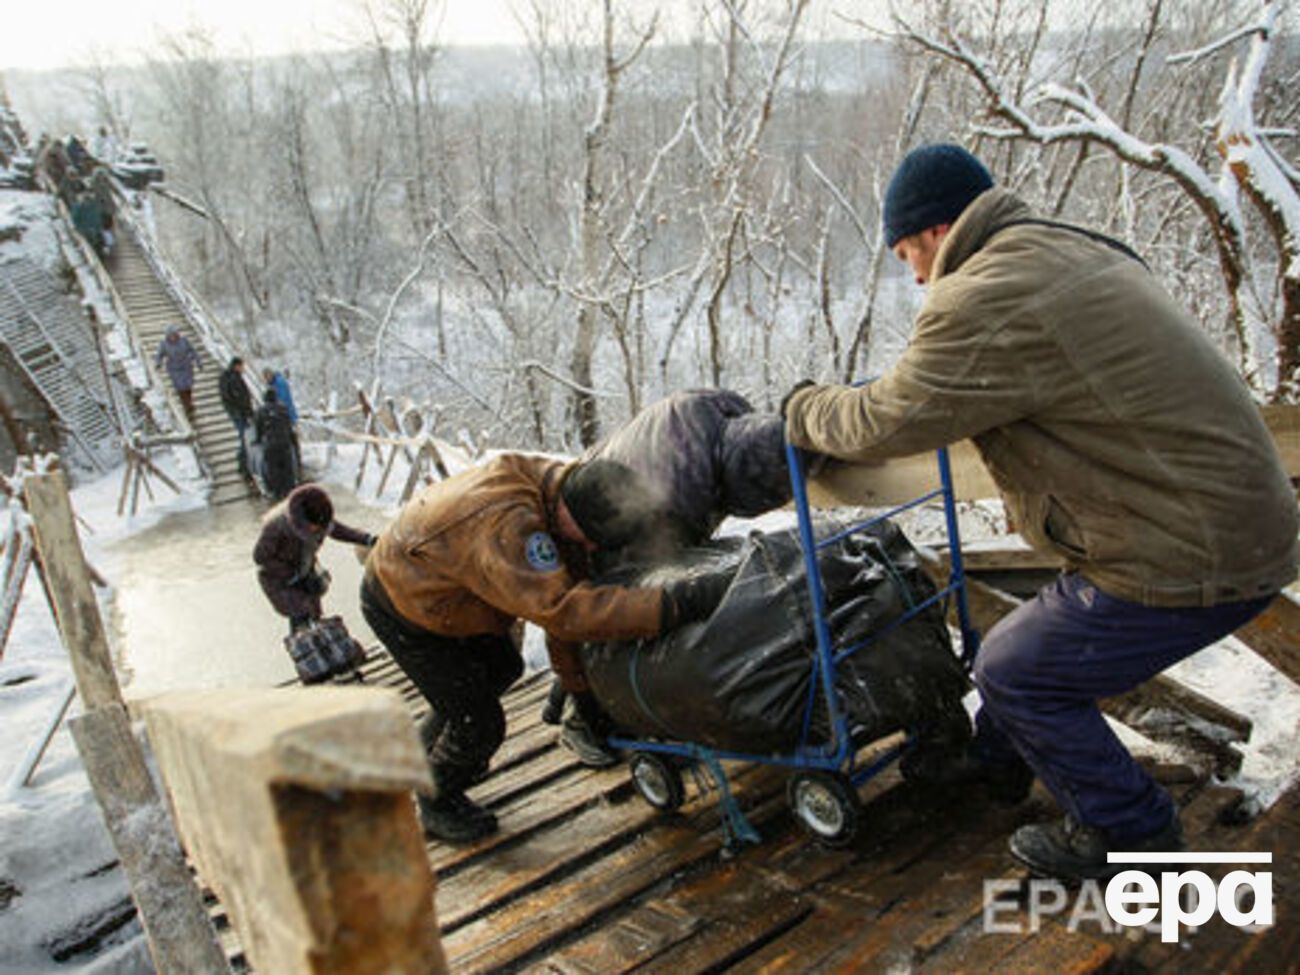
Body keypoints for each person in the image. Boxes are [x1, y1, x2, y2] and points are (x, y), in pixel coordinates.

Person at [781, 143, 1298, 882]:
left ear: (935, 231)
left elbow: (886, 420)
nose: (917, 278)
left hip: (1194, 544)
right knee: (1040, 641)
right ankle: (992, 762)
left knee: (1016, 665)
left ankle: (1135, 835)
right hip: (1223, 517)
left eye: (907, 256)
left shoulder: (988, 292)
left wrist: (801, 408)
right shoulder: (1065, 249)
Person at [361, 453, 730, 842]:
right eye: (588, 538)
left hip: (448, 586)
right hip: (403, 603)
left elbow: (565, 604)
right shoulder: (508, 526)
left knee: (501, 668)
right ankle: (436, 797)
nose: (589, 546)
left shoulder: (558, 489)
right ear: (572, 514)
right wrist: (673, 604)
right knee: (481, 723)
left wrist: (583, 696)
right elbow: (564, 613)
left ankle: (433, 737)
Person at [539, 389, 797, 752]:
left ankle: (559, 700)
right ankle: (581, 719)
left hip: (607, 490)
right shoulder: (682, 483)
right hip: (603, 519)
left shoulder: (722, 419)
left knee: (610, 607)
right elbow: (670, 560)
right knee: (616, 610)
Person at [253, 483, 376, 635]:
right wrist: (290, 573)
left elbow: (337, 530)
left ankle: (325, 648)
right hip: (279, 580)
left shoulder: (319, 517)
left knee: (314, 614)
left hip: (304, 572)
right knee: (300, 616)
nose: (318, 531)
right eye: (315, 528)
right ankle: (307, 652)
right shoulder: (276, 526)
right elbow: (259, 557)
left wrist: (366, 539)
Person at [254, 388, 297, 500]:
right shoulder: (283, 409)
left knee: (273, 469)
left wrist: (258, 439)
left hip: (270, 444)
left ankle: (277, 491)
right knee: (287, 467)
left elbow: (259, 429)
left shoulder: (261, 411)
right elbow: (289, 426)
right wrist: (292, 440)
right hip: (284, 442)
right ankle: (289, 490)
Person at [219, 357, 255, 481]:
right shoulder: (234, 379)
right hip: (239, 413)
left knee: (244, 437)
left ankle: (243, 463)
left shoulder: (226, 377)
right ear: (236, 366)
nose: (243, 369)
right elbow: (240, 399)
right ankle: (243, 465)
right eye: (242, 366)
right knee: (245, 438)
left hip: (235, 412)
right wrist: (248, 412)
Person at [154, 324, 200, 422]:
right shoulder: (164, 344)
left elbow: (192, 350)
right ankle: (187, 406)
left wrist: (197, 361)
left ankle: (189, 402)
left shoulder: (184, 340)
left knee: (188, 387)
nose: (173, 337)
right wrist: (158, 363)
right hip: (174, 369)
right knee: (180, 388)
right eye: (171, 336)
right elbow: (159, 355)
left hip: (186, 366)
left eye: (174, 335)